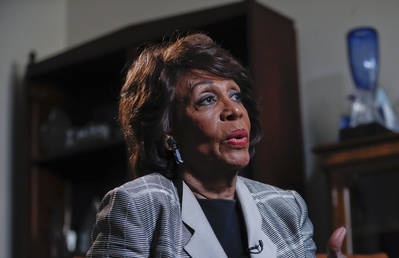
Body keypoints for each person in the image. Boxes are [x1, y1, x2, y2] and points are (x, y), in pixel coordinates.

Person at [86, 33, 345, 258]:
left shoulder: (286, 208)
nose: (233, 109)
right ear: (167, 132)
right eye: (208, 99)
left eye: (235, 95)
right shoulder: (138, 206)